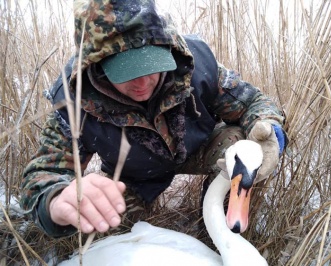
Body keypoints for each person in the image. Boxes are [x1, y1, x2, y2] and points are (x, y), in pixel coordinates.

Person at [20, 0, 287, 238]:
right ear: (96, 65)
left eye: (151, 65)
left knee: (242, 151)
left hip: (198, 149)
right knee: (108, 226)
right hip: (135, 175)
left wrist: (271, 135)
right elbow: (43, 176)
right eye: (125, 70)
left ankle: (217, 227)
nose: (142, 82)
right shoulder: (74, 103)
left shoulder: (196, 66)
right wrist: (57, 202)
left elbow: (254, 103)